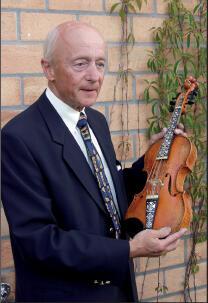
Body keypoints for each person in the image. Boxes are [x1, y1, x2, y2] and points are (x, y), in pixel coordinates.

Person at [1, 21, 187, 302]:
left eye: (100, 64)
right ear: (48, 69)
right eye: (80, 64)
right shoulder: (18, 138)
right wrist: (129, 250)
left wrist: (150, 161)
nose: (94, 76)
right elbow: (38, 242)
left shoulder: (95, 121)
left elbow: (104, 192)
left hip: (117, 289)